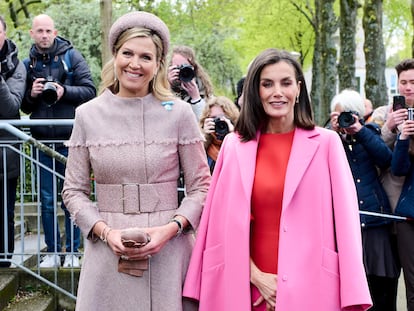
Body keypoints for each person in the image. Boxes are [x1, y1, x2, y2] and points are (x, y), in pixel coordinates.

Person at [183, 48, 372, 310]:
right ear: (255, 92)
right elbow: (218, 225)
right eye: (267, 84)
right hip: (244, 286)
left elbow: (347, 223)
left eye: (286, 83)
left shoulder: (327, 144)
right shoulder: (233, 146)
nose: (277, 92)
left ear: (298, 89)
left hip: (312, 287)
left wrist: (353, 288)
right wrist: (255, 276)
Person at [61, 11, 210, 310]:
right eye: (127, 53)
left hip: (169, 253)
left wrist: (171, 229)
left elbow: (201, 187)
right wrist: (106, 232)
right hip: (107, 253)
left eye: (146, 57)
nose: (135, 64)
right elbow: (73, 190)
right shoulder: (87, 115)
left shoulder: (179, 114)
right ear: (114, 55)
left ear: (158, 65)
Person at [21, 14, 96, 268]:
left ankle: (73, 251)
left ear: (55, 32)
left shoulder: (71, 57)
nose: (44, 35)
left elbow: (90, 91)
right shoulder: (27, 63)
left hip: (69, 142)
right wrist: (32, 94)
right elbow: (22, 105)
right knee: (47, 200)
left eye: (48, 31)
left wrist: (65, 91)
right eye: (39, 31)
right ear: (32, 33)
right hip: (42, 143)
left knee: (72, 198)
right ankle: (53, 251)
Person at [329, 89, 400, 311]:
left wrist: (358, 130)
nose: (344, 119)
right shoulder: (331, 140)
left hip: (375, 225)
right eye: (339, 114)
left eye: (347, 114)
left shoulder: (369, 133)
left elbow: (386, 159)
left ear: (358, 114)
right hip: (347, 226)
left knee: (382, 289)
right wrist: (333, 132)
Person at [372, 58, 414, 310]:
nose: (408, 87)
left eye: (413, 82)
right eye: (404, 82)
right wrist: (390, 127)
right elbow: (371, 154)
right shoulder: (380, 113)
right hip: (384, 210)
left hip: (409, 211)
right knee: (384, 286)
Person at [0, 15, 26, 268]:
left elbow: (10, 107)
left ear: (4, 34)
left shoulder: (17, 65)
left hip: (5, 151)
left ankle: (3, 261)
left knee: (4, 210)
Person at [167, 45, 213, 120]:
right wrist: (167, 86)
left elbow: (203, 123)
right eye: (177, 67)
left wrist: (196, 98)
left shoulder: (205, 92)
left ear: (193, 68)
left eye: (186, 67)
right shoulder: (160, 87)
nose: (182, 71)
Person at [199, 96, 239, 173]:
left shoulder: (242, 140)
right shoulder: (201, 143)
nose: (219, 121)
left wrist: (233, 135)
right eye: (214, 118)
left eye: (223, 117)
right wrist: (205, 138)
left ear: (231, 119)